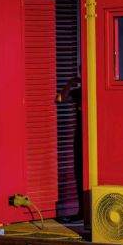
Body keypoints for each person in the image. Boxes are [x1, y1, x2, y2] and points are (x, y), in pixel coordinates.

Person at [56, 75, 83, 221]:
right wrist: (70, 83)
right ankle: (82, 211)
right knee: (79, 173)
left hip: (93, 136)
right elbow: (60, 99)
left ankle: (85, 211)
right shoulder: (79, 92)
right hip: (80, 137)